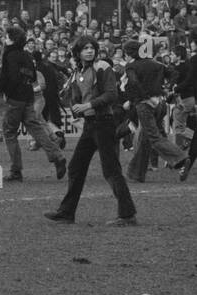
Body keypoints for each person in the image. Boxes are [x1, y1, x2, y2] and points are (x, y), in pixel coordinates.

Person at [45, 36, 138, 226]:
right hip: (90, 125)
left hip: (104, 123)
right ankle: (66, 213)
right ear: (78, 52)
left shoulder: (102, 66)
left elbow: (111, 95)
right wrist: (73, 102)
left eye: (92, 47)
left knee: (111, 171)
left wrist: (87, 104)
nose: (89, 50)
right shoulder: (79, 71)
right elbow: (75, 96)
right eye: (85, 48)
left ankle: (128, 215)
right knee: (75, 167)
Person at [0, 27, 67, 182]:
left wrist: (0, 89)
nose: (5, 39)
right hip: (29, 97)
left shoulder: (9, 55)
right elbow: (33, 75)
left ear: (12, 39)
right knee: (36, 128)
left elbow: (10, 77)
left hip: (15, 99)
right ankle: (57, 156)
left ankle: (16, 170)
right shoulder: (26, 55)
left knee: (9, 133)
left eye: (7, 37)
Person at [122, 38, 188, 182]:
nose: (125, 56)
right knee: (144, 139)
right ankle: (136, 175)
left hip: (145, 104)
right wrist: (166, 88)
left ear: (130, 53)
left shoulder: (131, 66)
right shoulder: (156, 64)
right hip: (161, 104)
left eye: (125, 53)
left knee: (153, 137)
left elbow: (134, 82)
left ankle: (180, 158)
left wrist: (145, 97)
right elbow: (174, 74)